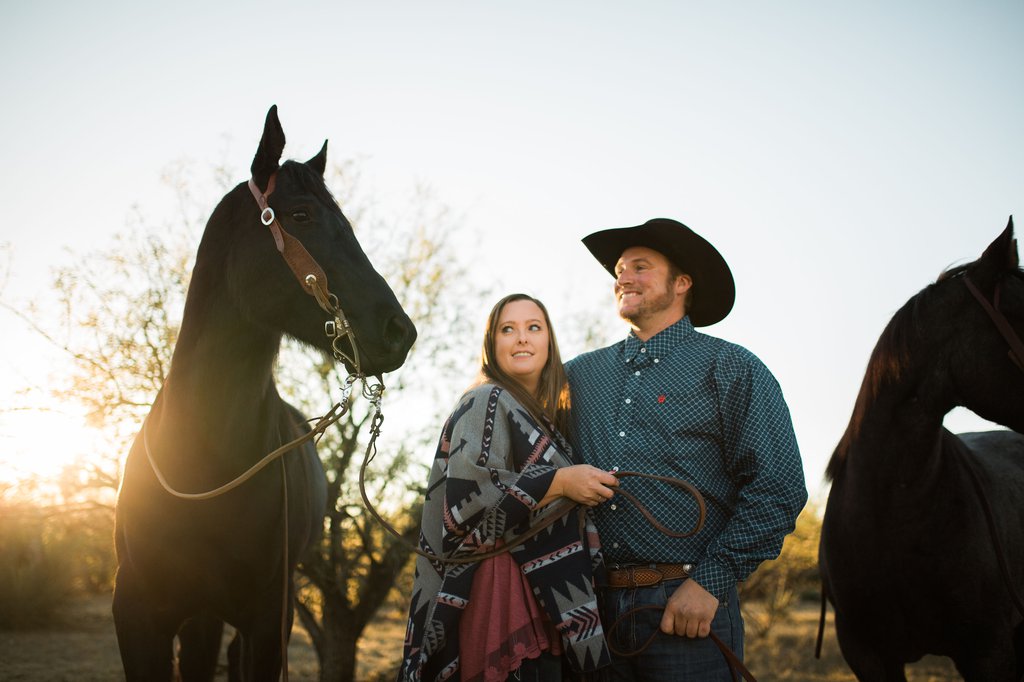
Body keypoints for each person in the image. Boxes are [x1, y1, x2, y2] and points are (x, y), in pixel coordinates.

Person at [565, 218, 808, 681]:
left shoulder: (732, 368)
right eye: (619, 269)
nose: (624, 278)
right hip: (591, 612)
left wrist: (710, 582)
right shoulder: (578, 376)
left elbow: (778, 487)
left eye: (641, 267)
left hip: (688, 605)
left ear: (681, 283)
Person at [399, 293, 619, 682]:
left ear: (549, 342)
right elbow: (465, 504)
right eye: (508, 329)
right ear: (491, 344)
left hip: (544, 596)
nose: (522, 338)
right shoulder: (485, 398)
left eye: (534, 328)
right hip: (501, 598)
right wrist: (562, 480)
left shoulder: (545, 418)